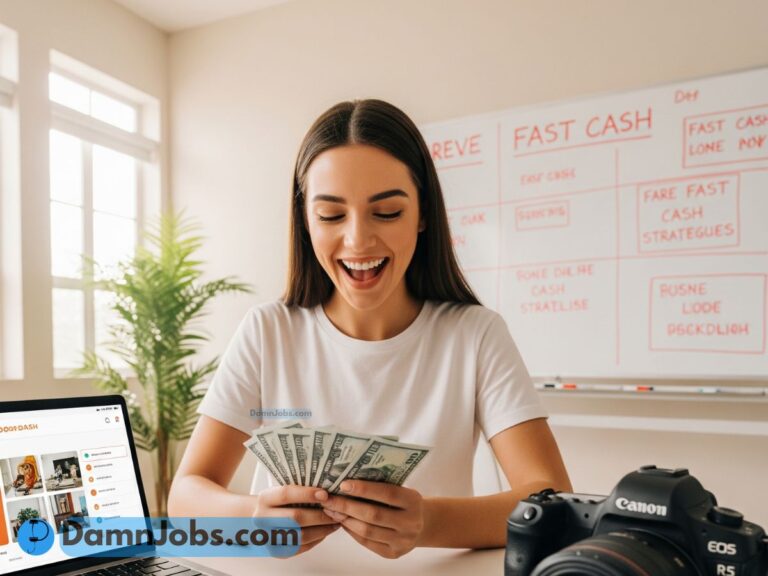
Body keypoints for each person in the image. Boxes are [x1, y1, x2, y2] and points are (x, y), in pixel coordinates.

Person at [168, 99, 572, 558]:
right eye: (331, 215)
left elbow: (550, 497)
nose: (358, 240)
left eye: (387, 213)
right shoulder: (267, 331)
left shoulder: (476, 335)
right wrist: (255, 519)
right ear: (305, 221)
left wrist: (429, 522)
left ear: (423, 215)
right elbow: (185, 496)